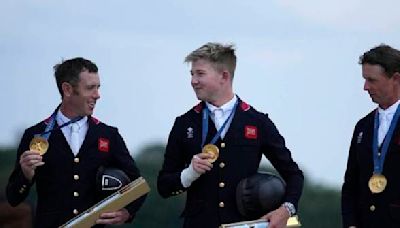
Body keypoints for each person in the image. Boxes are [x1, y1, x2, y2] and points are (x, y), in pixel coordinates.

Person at [157, 42, 304, 228]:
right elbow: (164, 187)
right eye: (192, 74)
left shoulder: (258, 122)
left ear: (224, 76)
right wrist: (189, 174)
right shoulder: (184, 123)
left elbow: (294, 175)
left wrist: (286, 210)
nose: (193, 80)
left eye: (200, 74)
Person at [6, 57, 145, 227]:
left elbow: (138, 186)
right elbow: (13, 198)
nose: (97, 95)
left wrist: (127, 213)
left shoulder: (109, 135)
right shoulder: (36, 135)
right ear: (67, 89)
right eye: (90, 88)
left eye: (98, 87)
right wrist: (26, 176)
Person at [342, 44, 400, 228]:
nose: (365, 87)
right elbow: (350, 184)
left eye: (372, 80)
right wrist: (350, 224)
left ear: (395, 78)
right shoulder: (363, 126)